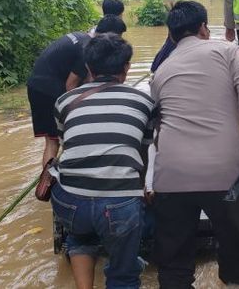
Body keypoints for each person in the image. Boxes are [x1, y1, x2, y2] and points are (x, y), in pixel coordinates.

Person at [150, 1, 239, 288]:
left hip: (171, 175)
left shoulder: (161, 69)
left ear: (172, 34)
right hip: (224, 172)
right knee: (235, 245)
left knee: (174, 259)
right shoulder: (228, 51)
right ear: (204, 28)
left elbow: (157, 126)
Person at [49, 33, 154, 289]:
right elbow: (142, 154)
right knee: (124, 274)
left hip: (69, 200)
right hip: (119, 207)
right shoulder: (144, 102)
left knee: (80, 236)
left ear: (88, 67)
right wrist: (141, 191)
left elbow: (68, 144)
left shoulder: (64, 102)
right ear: (126, 67)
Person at [27, 15, 127, 167]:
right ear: (108, 36)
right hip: (46, 90)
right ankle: (46, 184)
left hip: (38, 85)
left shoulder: (82, 37)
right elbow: (70, 86)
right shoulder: (86, 49)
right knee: (54, 141)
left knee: (57, 138)